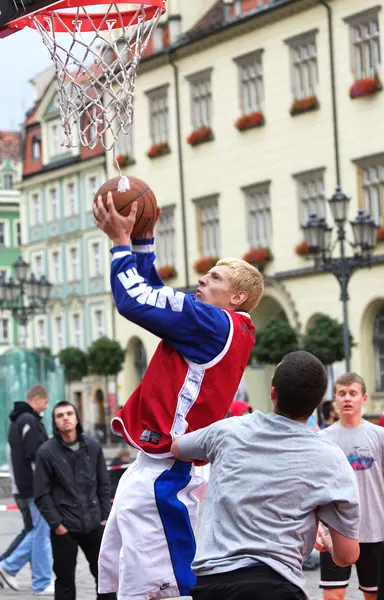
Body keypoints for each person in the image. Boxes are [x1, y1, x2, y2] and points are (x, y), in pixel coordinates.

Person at [93, 193, 264, 599]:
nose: (202, 279)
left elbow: (134, 300)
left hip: (166, 472)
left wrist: (120, 242)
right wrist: (143, 245)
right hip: (156, 467)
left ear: (237, 298)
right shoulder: (221, 325)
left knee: (162, 587)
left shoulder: (213, 323)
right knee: (114, 577)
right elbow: (154, 295)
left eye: (216, 278)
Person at [172, 351, 361, 600]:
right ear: (318, 403)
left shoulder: (228, 431)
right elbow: (347, 556)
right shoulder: (331, 459)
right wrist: (327, 539)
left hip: (211, 584)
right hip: (276, 585)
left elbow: (177, 447)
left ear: (273, 393)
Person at [319, 372, 384, 600]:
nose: (347, 398)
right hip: (334, 529)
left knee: (374, 595)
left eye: (353, 393)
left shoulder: (380, 435)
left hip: (375, 529)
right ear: (334, 398)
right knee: (333, 594)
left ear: (363, 399)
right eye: (342, 393)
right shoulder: (323, 439)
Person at [34, 401, 116, 600]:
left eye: (69, 413)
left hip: (95, 524)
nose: (65, 418)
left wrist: (104, 517)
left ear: (76, 417)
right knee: (65, 582)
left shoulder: (93, 446)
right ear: (55, 422)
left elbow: (104, 484)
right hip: (65, 528)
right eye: (60, 415)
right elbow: (41, 494)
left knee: (106, 580)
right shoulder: (46, 452)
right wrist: (57, 525)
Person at [0, 385, 53, 595]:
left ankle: (39, 580)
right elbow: (37, 456)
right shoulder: (29, 421)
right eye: (45, 403)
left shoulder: (18, 421)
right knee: (40, 533)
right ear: (37, 399)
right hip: (34, 487)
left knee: (37, 531)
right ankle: (10, 567)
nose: (46, 407)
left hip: (25, 487)